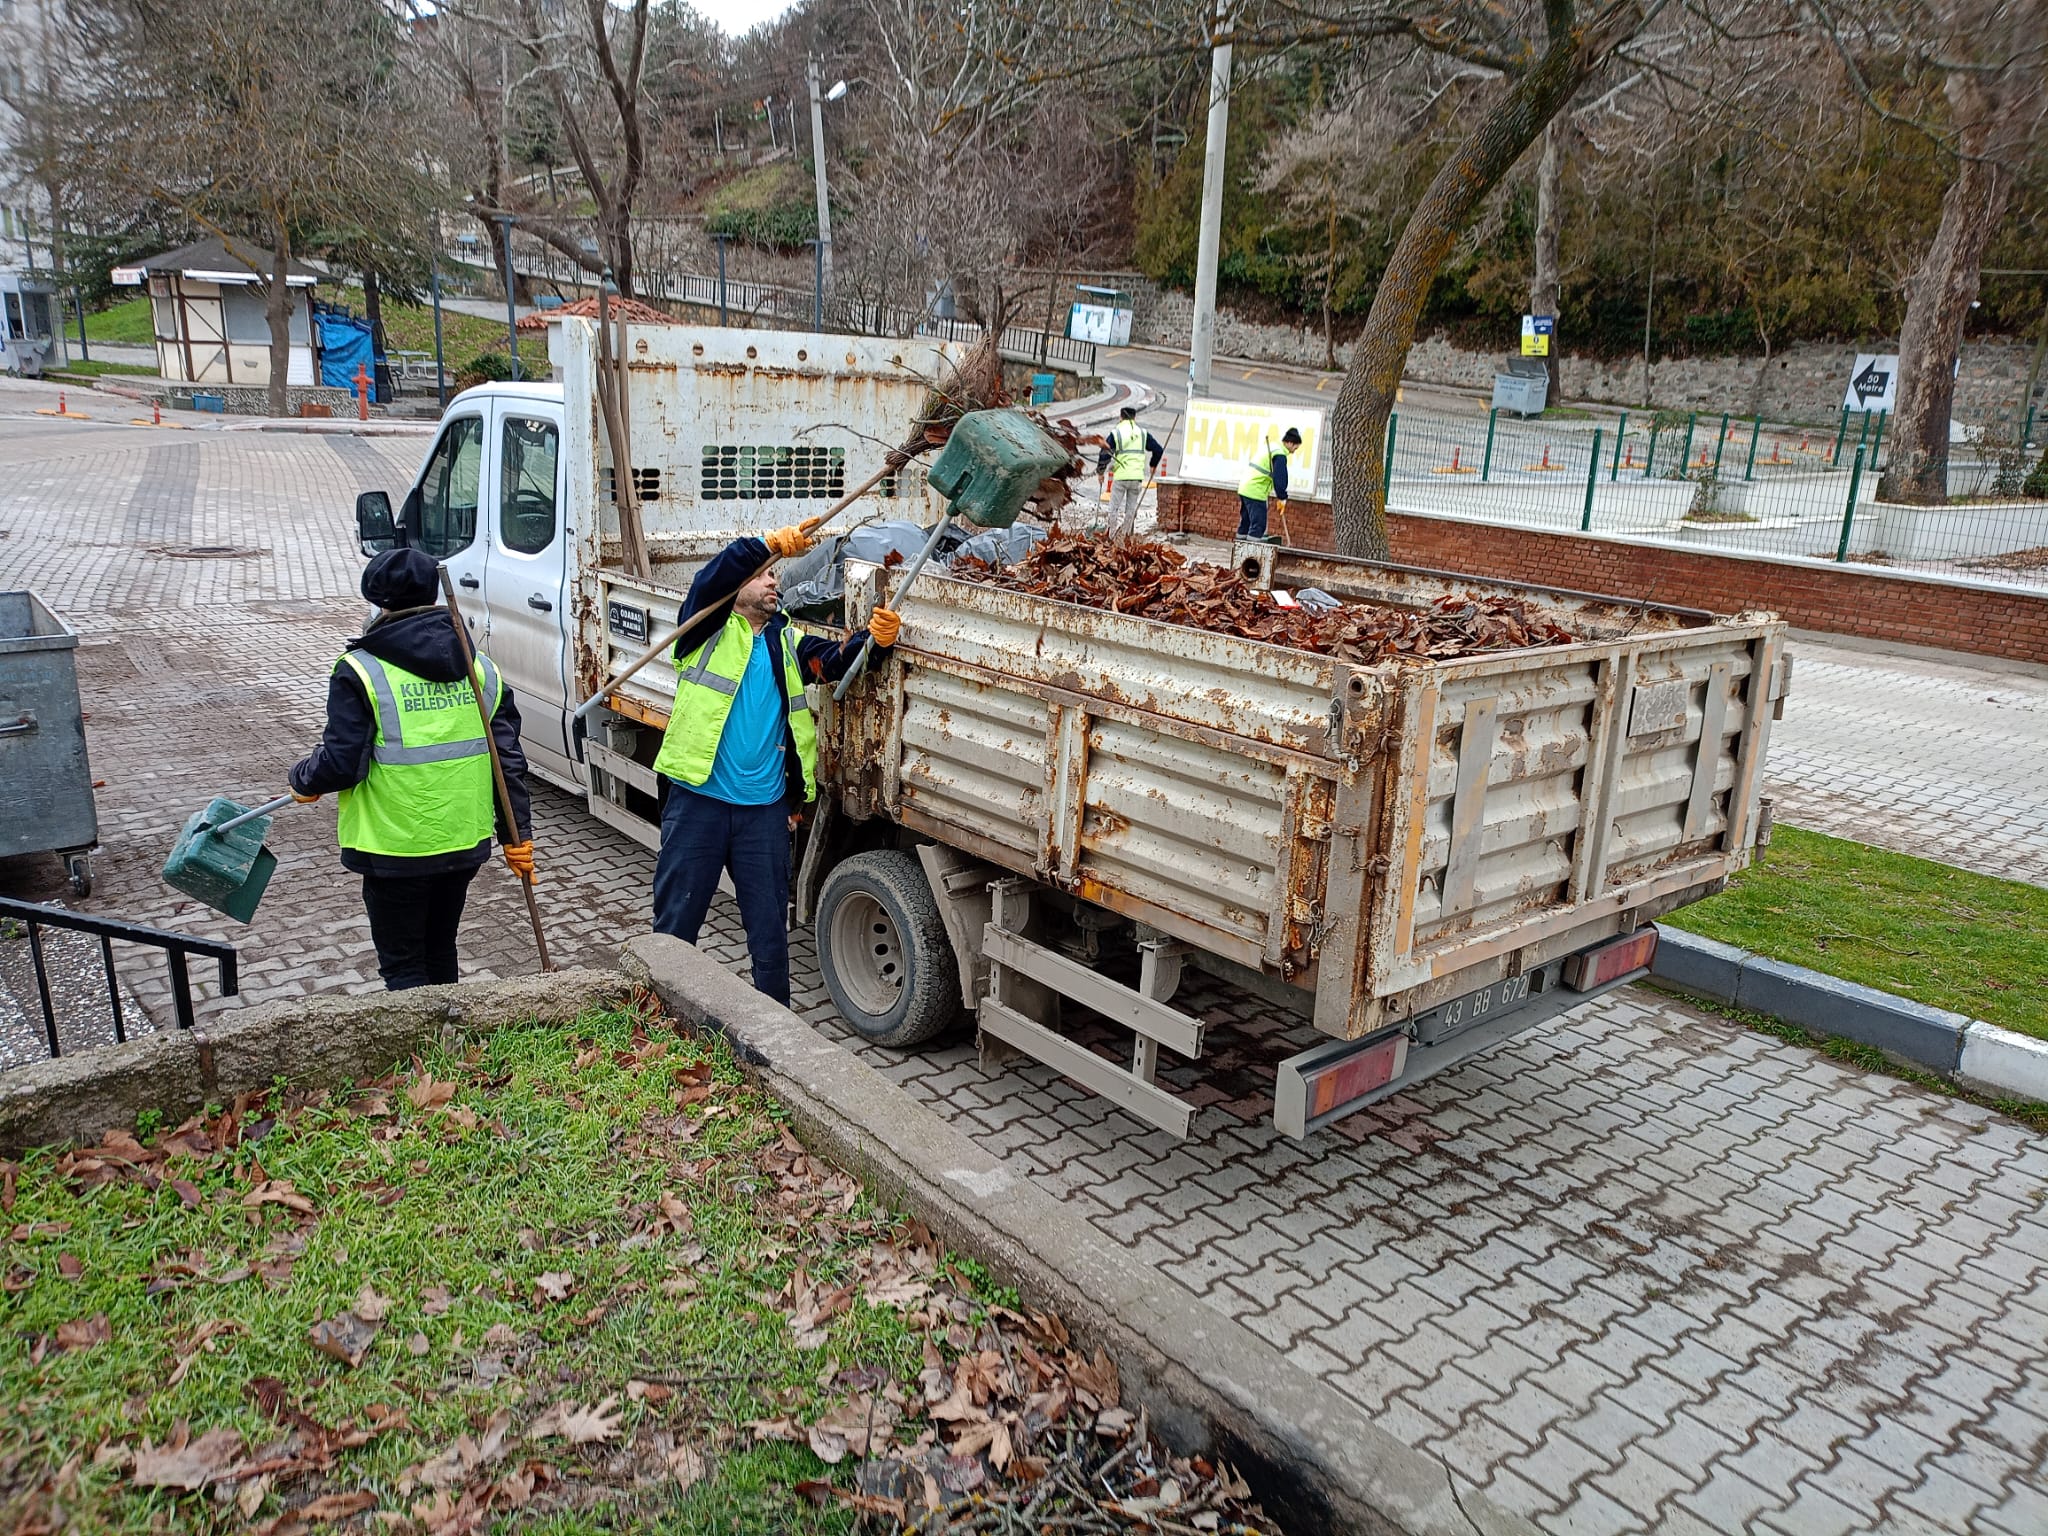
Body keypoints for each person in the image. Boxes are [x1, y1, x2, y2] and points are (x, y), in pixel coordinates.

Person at [651, 525, 901, 1005]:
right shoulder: (701, 629)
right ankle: (659, 1019)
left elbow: (837, 662)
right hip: (698, 805)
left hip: (763, 815)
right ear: (737, 586)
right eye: (763, 574)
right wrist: (762, 548)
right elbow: (711, 579)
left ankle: (776, 1027)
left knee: (769, 938)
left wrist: (875, 642)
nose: (774, 581)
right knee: (675, 929)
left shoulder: (786, 641)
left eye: (774, 574)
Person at [289, 547, 533, 991]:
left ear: (377, 602)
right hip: (461, 841)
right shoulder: (480, 668)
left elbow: (342, 763)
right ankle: (450, 1032)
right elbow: (507, 760)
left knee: (403, 966)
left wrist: (304, 778)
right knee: (440, 949)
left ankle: (426, 1038)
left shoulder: (360, 670)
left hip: (394, 847)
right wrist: (517, 835)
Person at [1102, 405, 1165, 540]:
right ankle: (1125, 537)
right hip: (1136, 478)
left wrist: (1100, 472)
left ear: (1121, 417)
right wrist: (1153, 465)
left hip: (1121, 477)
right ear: (1134, 418)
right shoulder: (1142, 433)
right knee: (1131, 510)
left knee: (1113, 508)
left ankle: (1111, 536)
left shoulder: (1116, 433)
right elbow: (1158, 450)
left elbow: (1105, 453)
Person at [1237, 426, 1302, 540]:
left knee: (1245, 523)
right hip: (1256, 491)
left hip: (1245, 488)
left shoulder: (1273, 447)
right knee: (1258, 527)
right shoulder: (1280, 455)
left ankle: (1239, 548)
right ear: (1290, 443)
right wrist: (1282, 497)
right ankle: (1251, 551)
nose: (1293, 452)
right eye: (1295, 448)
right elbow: (1280, 478)